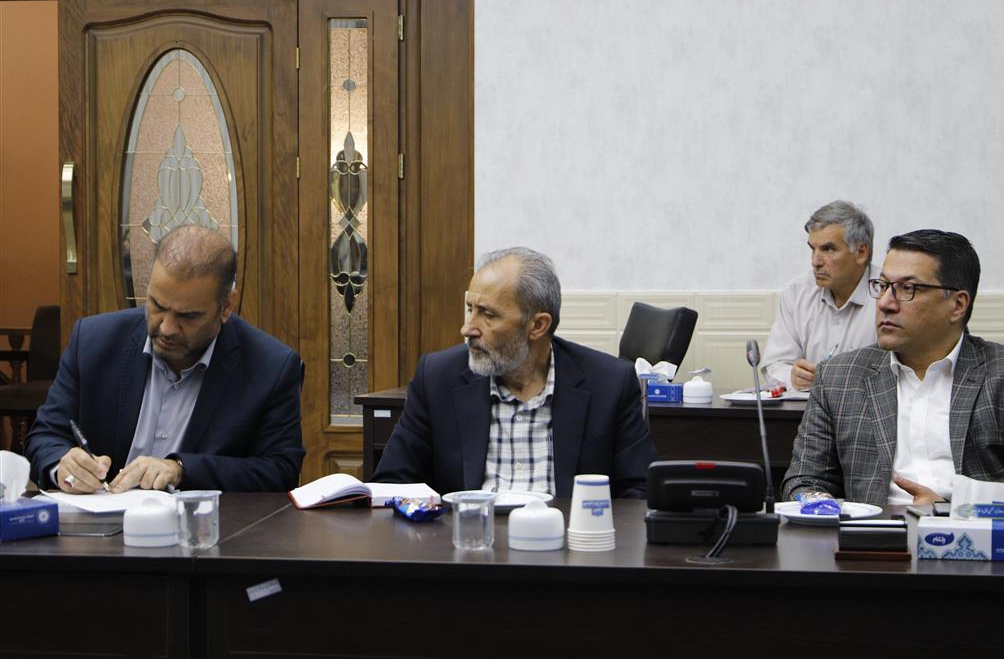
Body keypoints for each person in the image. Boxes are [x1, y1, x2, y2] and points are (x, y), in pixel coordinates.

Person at [782, 229, 1004, 507]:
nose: (885, 303)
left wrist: (954, 508)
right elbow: (804, 480)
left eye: (908, 288)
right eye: (882, 286)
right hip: (873, 532)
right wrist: (822, 507)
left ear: (957, 305)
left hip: (973, 531)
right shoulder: (838, 377)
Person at [25, 225, 305, 493]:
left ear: (226, 307)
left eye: (188, 316)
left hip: (206, 524)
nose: (167, 328)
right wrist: (62, 466)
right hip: (101, 521)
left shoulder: (271, 368)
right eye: (157, 305)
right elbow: (45, 437)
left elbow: (280, 471)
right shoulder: (93, 342)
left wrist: (182, 470)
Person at [373, 247, 657, 498]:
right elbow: (392, 482)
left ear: (538, 325)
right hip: (467, 537)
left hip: (567, 538)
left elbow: (641, 492)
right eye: (470, 309)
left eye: (487, 314)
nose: (467, 328)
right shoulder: (437, 378)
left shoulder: (609, 384)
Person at [762, 201, 879, 390]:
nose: (815, 261)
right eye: (812, 249)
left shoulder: (890, 295)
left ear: (861, 252)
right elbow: (775, 364)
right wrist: (792, 378)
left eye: (828, 249)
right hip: (808, 405)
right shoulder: (797, 293)